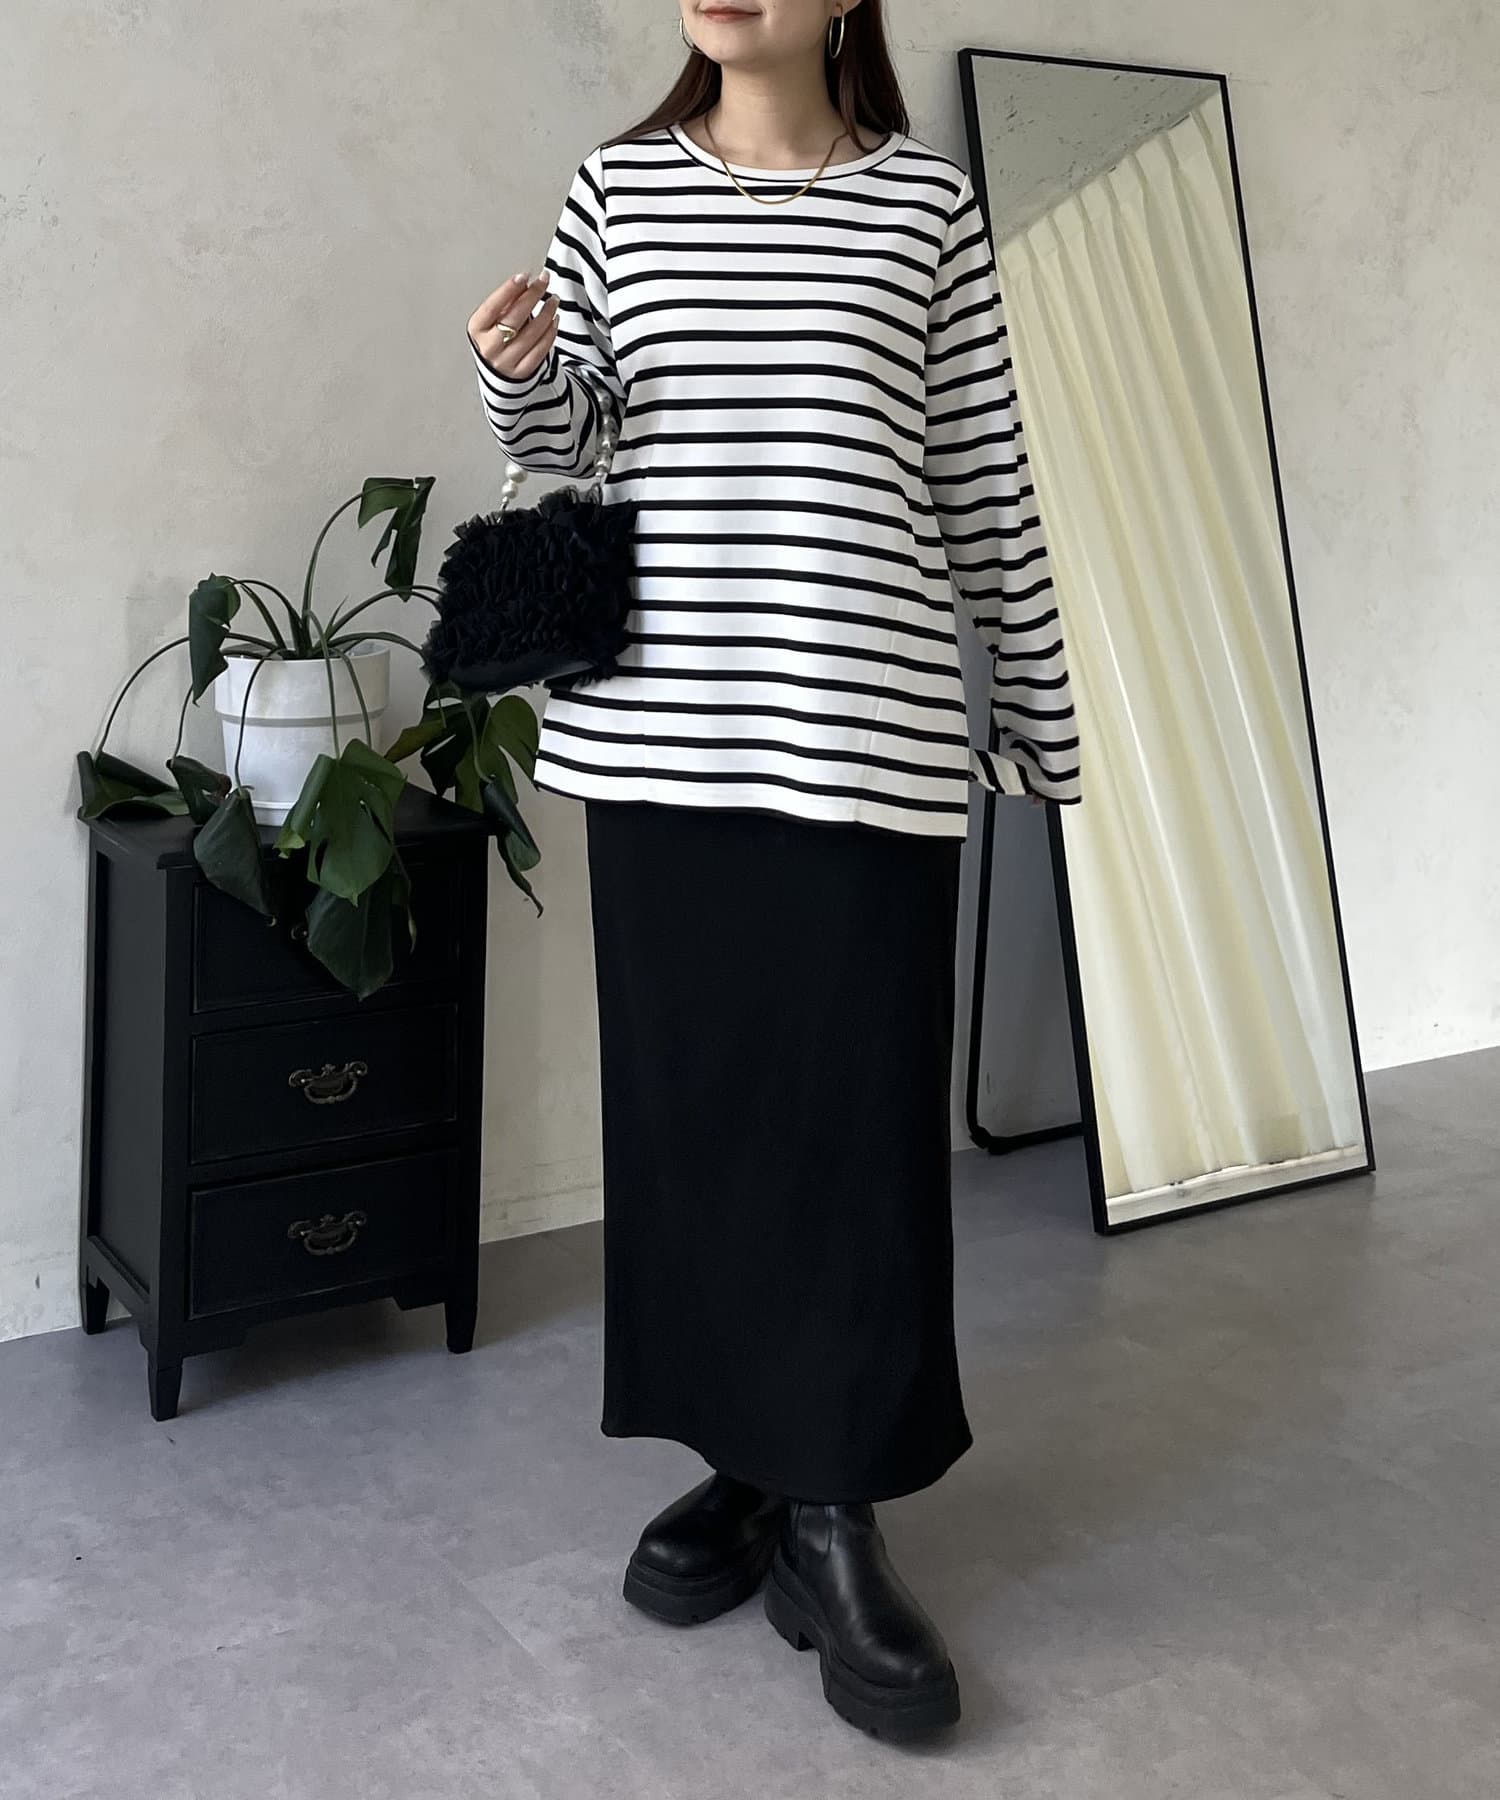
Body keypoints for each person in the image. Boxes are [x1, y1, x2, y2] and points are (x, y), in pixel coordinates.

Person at [464, 0, 1082, 1741]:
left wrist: (1045, 719)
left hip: (865, 741)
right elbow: (567, 454)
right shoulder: (617, 191)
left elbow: (983, 481)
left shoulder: (927, 205)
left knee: (856, 1132)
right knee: (701, 1124)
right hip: (660, 749)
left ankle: (836, 1510)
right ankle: (748, 1460)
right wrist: (519, 373)